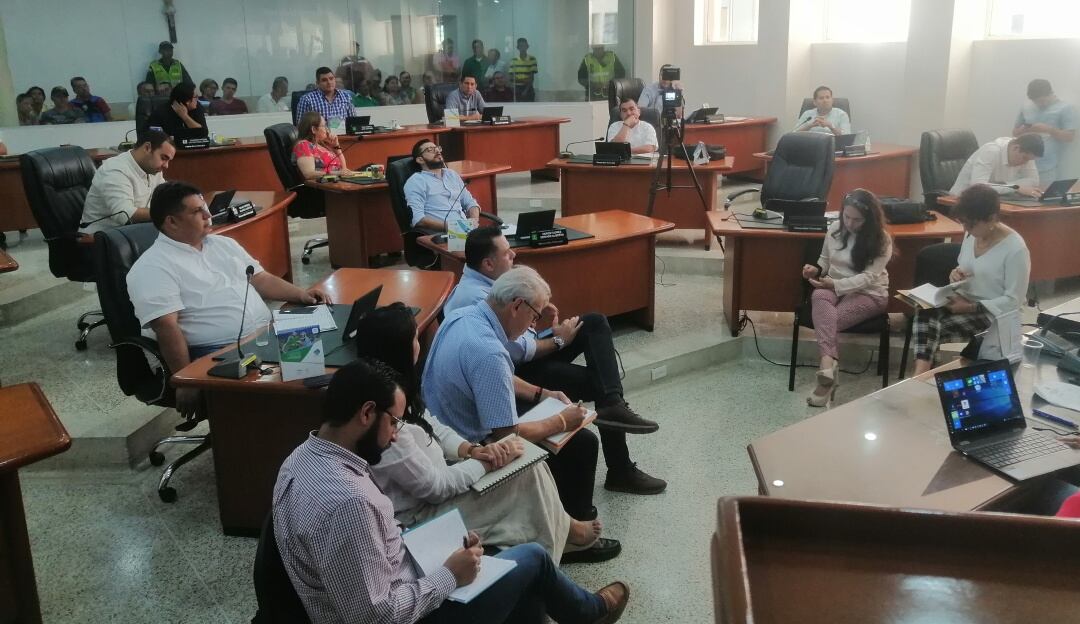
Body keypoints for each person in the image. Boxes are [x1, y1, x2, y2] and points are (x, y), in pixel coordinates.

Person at [273, 357, 630, 624]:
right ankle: (590, 613)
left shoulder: (300, 458)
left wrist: (441, 548)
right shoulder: (350, 502)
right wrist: (450, 574)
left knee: (517, 582)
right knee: (533, 557)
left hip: (397, 573)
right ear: (367, 413)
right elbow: (377, 617)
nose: (396, 435)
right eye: (394, 422)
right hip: (409, 611)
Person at [356, 303, 619, 564]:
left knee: (529, 461)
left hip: (442, 478)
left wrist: (473, 451)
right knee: (525, 472)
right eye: (415, 339)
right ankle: (557, 547)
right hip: (424, 515)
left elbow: (433, 427)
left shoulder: (397, 390)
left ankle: (562, 532)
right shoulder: (387, 423)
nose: (420, 345)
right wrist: (486, 462)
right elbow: (437, 488)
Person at [445, 227, 666, 494]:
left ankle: (613, 404)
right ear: (488, 264)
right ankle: (620, 466)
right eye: (507, 254)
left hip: (513, 362)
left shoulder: (490, 286)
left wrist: (536, 315)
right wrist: (558, 340)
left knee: (594, 323)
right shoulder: (473, 299)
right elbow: (519, 350)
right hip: (511, 374)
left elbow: (518, 335)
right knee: (598, 383)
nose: (514, 256)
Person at [127, 181, 332, 419]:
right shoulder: (152, 267)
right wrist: (185, 379)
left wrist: (301, 294)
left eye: (205, 208)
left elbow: (262, 279)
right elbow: (166, 328)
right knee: (299, 389)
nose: (208, 215)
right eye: (197, 211)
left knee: (331, 362)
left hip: (266, 336)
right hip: (220, 351)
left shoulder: (222, 244)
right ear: (171, 222)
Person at [424, 267, 604, 522]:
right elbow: (506, 436)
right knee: (583, 443)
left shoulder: (461, 316)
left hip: (441, 426)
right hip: (470, 448)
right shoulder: (490, 353)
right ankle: (575, 528)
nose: (533, 325)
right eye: (535, 316)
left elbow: (494, 378)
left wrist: (541, 394)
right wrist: (562, 421)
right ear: (517, 305)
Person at [911, 184, 1031, 375]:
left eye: (970, 223)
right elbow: (964, 266)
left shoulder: (1015, 249)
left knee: (930, 328)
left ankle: (921, 374)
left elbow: (1013, 301)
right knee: (925, 311)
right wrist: (955, 274)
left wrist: (971, 307)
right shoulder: (971, 234)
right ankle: (923, 374)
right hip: (963, 299)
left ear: (991, 218)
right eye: (963, 222)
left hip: (993, 314)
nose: (965, 228)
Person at [799, 189, 893, 407]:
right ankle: (829, 366)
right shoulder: (834, 228)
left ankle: (826, 370)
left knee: (827, 321)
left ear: (869, 219)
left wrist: (835, 284)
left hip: (869, 293)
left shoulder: (882, 240)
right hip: (833, 285)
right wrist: (815, 269)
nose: (850, 223)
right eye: (846, 216)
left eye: (857, 219)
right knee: (819, 295)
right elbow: (824, 260)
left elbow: (869, 278)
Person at [79, 129, 175, 235]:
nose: (166, 166)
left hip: (132, 232)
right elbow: (124, 215)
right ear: (147, 148)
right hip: (100, 237)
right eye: (163, 158)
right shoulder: (115, 170)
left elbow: (165, 195)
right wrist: (165, 212)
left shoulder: (153, 169)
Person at [404, 139, 479, 231]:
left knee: (494, 234)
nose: (437, 151)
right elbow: (418, 219)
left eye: (437, 148)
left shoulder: (452, 174)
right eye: (430, 150)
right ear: (420, 160)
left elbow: (470, 202)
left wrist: (474, 221)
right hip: (442, 234)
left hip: (466, 230)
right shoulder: (416, 181)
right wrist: (454, 228)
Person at [1013, 79, 1077, 186]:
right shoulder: (1026, 107)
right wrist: (1027, 129)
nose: (1040, 104)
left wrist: (1049, 129)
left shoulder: (1066, 108)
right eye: (1036, 101)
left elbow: (1070, 137)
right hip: (1022, 164)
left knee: (1044, 195)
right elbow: (1015, 133)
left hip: (1046, 167)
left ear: (1051, 93)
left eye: (1042, 101)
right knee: (1017, 194)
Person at [948, 134, 1044, 197]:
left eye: (1029, 160)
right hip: (962, 201)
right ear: (1016, 148)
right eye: (1025, 158)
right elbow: (978, 186)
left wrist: (1010, 186)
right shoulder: (991, 151)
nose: (1026, 163)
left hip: (994, 200)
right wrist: (1014, 188)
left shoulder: (1025, 152)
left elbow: (1034, 181)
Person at [292, 112, 350, 181]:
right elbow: (309, 174)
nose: (327, 129)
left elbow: (343, 169)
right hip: (325, 184)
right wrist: (336, 173)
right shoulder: (303, 145)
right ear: (314, 129)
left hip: (338, 181)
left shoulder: (321, 145)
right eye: (324, 126)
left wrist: (337, 146)